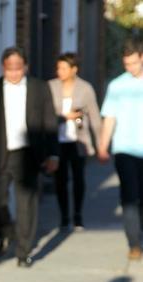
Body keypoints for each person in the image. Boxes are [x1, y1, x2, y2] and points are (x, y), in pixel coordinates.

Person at [0, 46, 59, 267]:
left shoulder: (39, 88)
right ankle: (6, 232)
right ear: (3, 67)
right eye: (9, 68)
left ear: (25, 67)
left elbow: (50, 122)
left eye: (18, 68)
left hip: (28, 154)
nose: (14, 72)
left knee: (26, 204)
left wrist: (53, 154)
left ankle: (24, 251)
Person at [98, 39, 143, 260]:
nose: (130, 68)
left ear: (141, 58)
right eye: (127, 64)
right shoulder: (117, 86)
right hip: (124, 148)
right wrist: (103, 146)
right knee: (130, 196)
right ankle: (134, 243)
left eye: (134, 63)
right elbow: (110, 118)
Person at [49, 52, 102, 231]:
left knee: (79, 178)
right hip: (58, 141)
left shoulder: (85, 88)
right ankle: (64, 216)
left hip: (78, 141)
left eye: (63, 68)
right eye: (58, 68)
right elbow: (46, 116)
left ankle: (77, 215)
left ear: (74, 69)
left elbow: (95, 116)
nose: (59, 71)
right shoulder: (50, 86)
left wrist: (100, 143)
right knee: (60, 180)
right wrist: (64, 117)